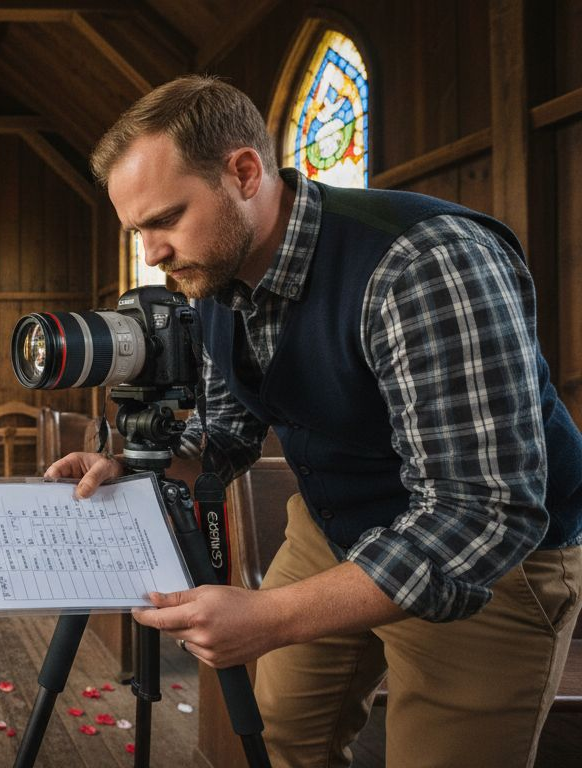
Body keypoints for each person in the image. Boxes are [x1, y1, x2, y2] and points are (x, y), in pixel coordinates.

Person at [47, 75, 582, 767]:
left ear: (243, 172)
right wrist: (140, 464)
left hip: (493, 561)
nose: (151, 253)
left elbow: (483, 510)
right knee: (278, 742)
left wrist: (269, 616)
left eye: (166, 219)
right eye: (137, 230)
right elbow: (228, 432)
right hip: (332, 528)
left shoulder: (422, 261)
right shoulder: (216, 269)